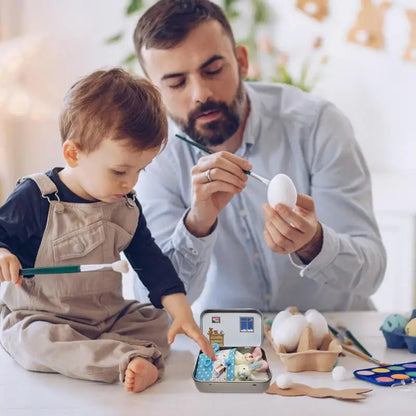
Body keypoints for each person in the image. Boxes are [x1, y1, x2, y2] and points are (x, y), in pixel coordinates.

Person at [132, 0, 386, 314]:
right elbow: (151, 301)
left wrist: (314, 244)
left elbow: (372, 271)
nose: (200, 93)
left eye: (213, 70)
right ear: (154, 91)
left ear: (241, 61)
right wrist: (197, 225)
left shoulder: (316, 125)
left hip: (337, 337)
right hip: (231, 343)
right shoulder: (155, 158)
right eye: (177, 83)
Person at [0, 68, 214, 393]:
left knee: (158, 321)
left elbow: (150, 260)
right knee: (33, 343)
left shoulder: (125, 202)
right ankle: (129, 360)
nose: (131, 183)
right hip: (45, 317)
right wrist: (3, 253)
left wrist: (181, 312)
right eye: (119, 171)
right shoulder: (35, 197)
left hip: (108, 317)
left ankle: (126, 354)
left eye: (140, 169)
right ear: (74, 153)